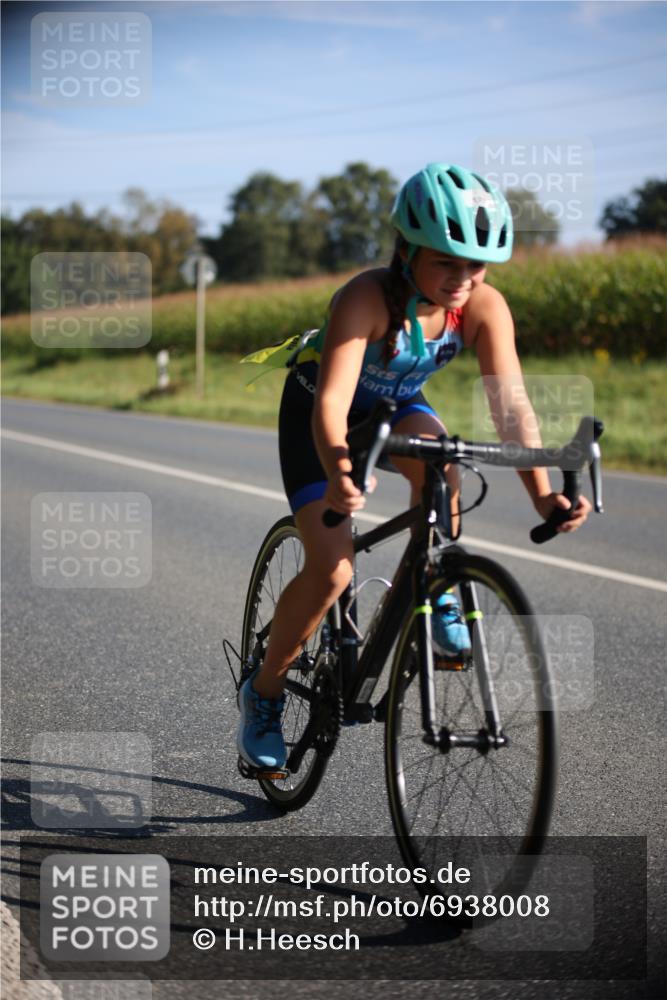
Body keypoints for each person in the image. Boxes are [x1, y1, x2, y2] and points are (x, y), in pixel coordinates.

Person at [237, 162, 592, 772]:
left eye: (475, 266)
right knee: (333, 570)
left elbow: (511, 408)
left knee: (442, 460)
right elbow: (330, 404)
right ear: (405, 251)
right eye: (445, 262)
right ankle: (264, 693)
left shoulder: (484, 307)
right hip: (322, 414)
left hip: (397, 407)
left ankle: (437, 597)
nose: (462, 280)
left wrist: (541, 497)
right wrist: (342, 472)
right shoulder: (365, 297)